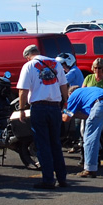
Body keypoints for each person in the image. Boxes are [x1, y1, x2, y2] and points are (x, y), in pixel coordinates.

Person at [19, 45, 68, 190]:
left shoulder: (29, 66)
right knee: (55, 144)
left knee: (42, 144)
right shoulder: (56, 63)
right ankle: (62, 178)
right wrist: (65, 102)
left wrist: (22, 109)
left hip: (39, 107)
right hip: (54, 107)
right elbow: (63, 85)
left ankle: (48, 179)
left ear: (28, 56)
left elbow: (23, 90)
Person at [63, 85, 103, 178]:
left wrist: (61, 114)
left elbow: (67, 118)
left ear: (70, 93)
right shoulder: (88, 92)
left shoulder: (73, 95)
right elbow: (88, 115)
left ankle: (90, 168)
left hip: (100, 104)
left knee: (90, 138)